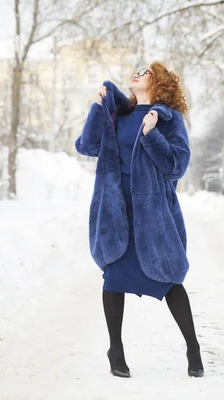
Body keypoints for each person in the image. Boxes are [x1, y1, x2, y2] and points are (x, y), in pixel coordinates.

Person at [74, 61, 204, 378]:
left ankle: (193, 346)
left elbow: (176, 166)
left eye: (144, 72)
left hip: (153, 211)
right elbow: (86, 146)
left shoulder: (168, 121)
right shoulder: (118, 114)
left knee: (170, 278)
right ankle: (115, 349)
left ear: (158, 83)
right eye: (136, 70)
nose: (136, 73)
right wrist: (98, 107)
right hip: (115, 207)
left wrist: (151, 134)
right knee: (114, 275)